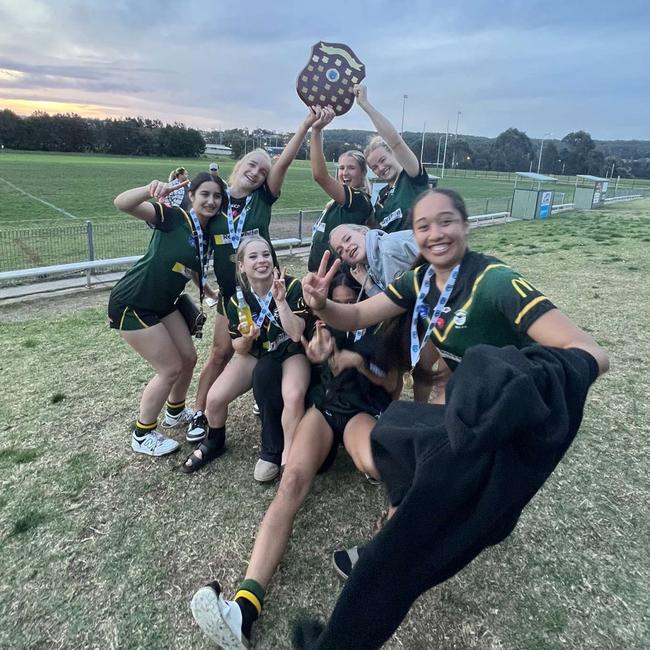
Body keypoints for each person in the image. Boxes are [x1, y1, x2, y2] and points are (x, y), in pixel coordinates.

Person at [300, 187, 609, 577]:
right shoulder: (422, 281)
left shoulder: (495, 282)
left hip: (509, 407)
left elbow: (591, 353)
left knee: (453, 487)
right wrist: (321, 305)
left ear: (465, 224)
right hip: (468, 400)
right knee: (424, 461)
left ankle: (390, 554)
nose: (435, 233)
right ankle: (392, 547)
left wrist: (521, 380)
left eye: (446, 221)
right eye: (423, 226)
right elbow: (359, 315)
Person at [189, 268, 399, 649]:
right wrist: (318, 354)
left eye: (352, 303)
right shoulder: (326, 325)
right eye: (340, 303)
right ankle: (244, 609)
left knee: (374, 464)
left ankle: (387, 543)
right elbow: (309, 355)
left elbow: (393, 384)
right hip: (324, 410)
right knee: (291, 484)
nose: (346, 308)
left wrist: (360, 364)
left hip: (360, 412)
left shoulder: (385, 330)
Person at [188, 109, 321, 442]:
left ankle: (267, 396)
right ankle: (200, 412)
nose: (257, 173)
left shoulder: (263, 199)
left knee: (274, 345)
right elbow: (193, 247)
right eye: (252, 165)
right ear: (239, 165)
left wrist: (305, 125)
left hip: (266, 290)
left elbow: (284, 164)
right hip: (232, 296)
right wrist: (204, 287)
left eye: (263, 171)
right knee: (222, 353)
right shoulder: (214, 200)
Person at [108, 172, 227, 456]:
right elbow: (121, 203)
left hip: (164, 303)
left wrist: (209, 293)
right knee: (170, 368)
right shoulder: (172, 217)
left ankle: (174, 413)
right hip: (134, 302)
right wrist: (149, 189)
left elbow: (190, 268)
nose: (211, 201)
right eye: (205, 195)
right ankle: (142, 434)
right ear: (191, 196)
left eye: (217, 196)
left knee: (188, 358)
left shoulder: (207, 232)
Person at [181, 235, 310, 475]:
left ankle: (288, 454)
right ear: (241, 265)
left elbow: (295, 335)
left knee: (293, 395)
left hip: (290, 352)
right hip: (257, 353)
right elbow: (238, 348)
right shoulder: (236, 301)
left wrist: (280, 302)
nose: (261, 260)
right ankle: (214, 442)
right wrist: (248, 337)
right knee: (215, 398)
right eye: (253, 256)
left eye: (266, 255)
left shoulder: (291, 286)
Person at [354, 84, 430, 233]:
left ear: (393, 153)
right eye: (374, 167)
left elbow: (395, 140)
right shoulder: (382, 197)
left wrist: (365, 104)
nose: (380, 168)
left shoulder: (412, 177)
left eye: (382, 160)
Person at [307, 106, 373, 273]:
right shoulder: (336, 203)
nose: (344, 173)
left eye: (351, 168)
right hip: (320, 275)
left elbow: (320, 176)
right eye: (341, 168)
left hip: (337, 279)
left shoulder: (358, 200)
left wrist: (316, 131)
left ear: (363, 172)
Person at [329, 223, 418, 296]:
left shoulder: (387, 252)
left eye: (348, 239)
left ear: (363, 232)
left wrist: (369, 286)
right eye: (340, 251)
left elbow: (395, 307)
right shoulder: (370, 263)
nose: (346, 248)